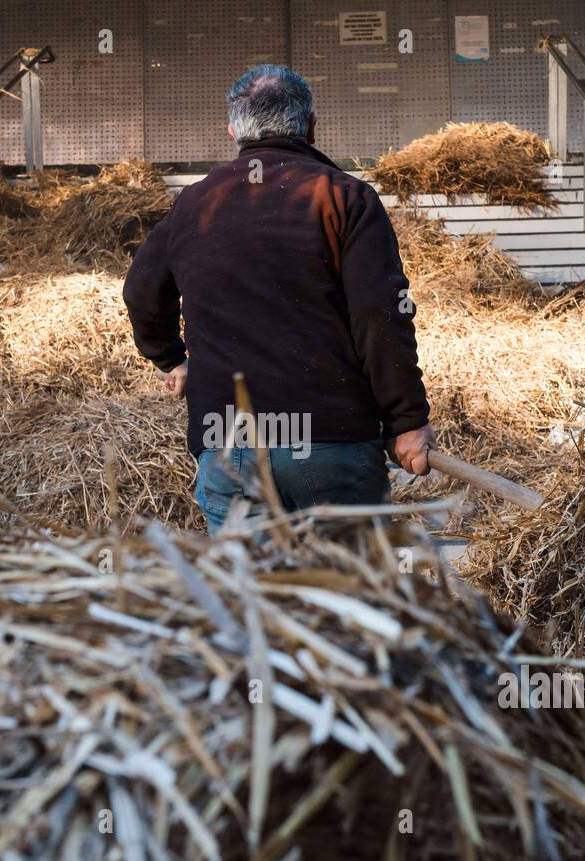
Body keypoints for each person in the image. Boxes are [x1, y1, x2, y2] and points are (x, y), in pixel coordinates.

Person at [123, 64, 434, 535]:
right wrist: (407, 420)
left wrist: (171, 360)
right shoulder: (344, 197)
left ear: (233, 130)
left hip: (229, 448)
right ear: (311, 125)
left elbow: (140, 294)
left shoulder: (194, 204)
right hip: (330, 443)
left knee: (251, 605)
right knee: (349, 601)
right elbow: (380, 316)